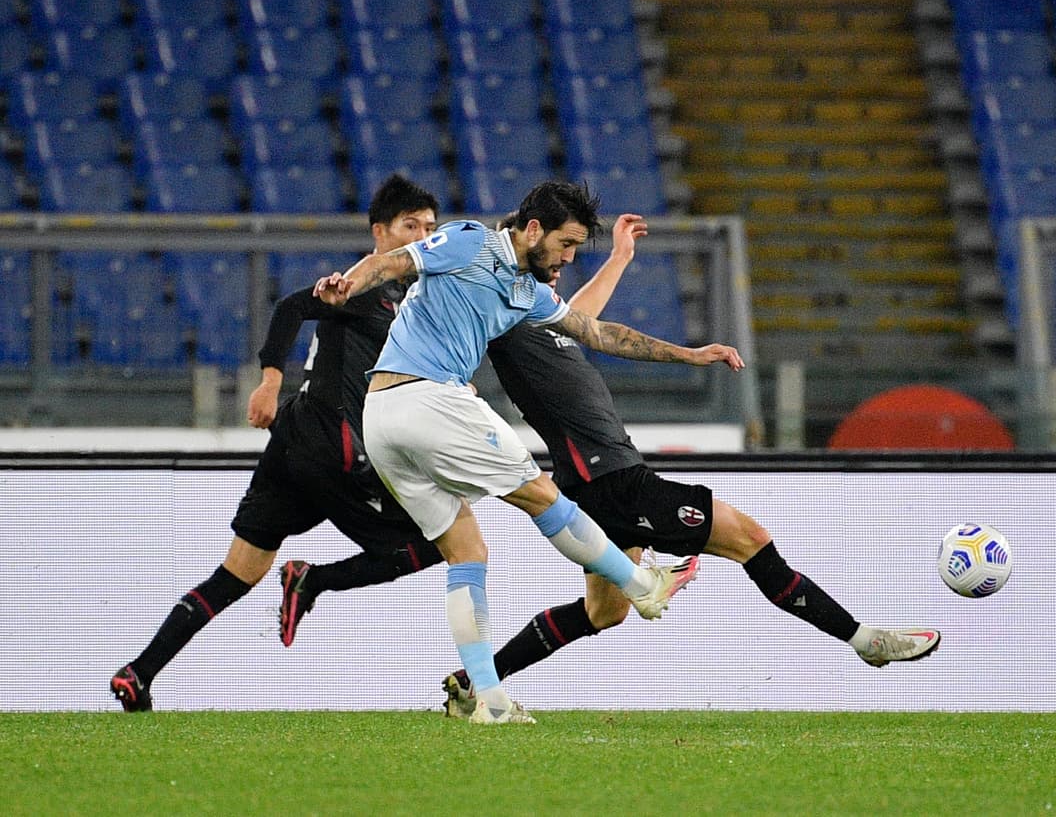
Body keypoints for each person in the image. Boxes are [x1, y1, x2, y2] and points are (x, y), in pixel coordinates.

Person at [435, 210, 941, 716]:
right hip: (613, 481)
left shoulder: (540, 315)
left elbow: (584, 320)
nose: (564, 261)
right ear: (527, 245)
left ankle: (476, 680)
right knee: (752, 541)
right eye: (559, 249)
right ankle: (863, 640)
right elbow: (565, 332)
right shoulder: (505, 313)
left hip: (590, 482)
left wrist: (619, 258)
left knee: (603, 612)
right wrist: (691, 355)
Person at [312, 180, 744, 724]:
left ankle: (489, 701)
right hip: (428, 396)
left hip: (384, 417)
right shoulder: (471, 241)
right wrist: (344, 286)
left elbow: (598, 333)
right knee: (542, 493)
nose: (567, 257)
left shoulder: (527, 293)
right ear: (533, 229)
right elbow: (393, 262)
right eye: (565, 245)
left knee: (466, 554)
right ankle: (642, 585)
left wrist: (689, 354)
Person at [110, 174, 447, 712]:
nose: (423, 237)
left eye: (431, 228)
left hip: (295, 442)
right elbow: (293, 307)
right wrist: (269, 378)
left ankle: (138, 672)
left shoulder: (413, 296)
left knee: (239, 571)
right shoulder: (367, 286)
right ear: (380, 232)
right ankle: (313, 580)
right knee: (435, 542)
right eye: (411, 226)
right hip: (330, 439)